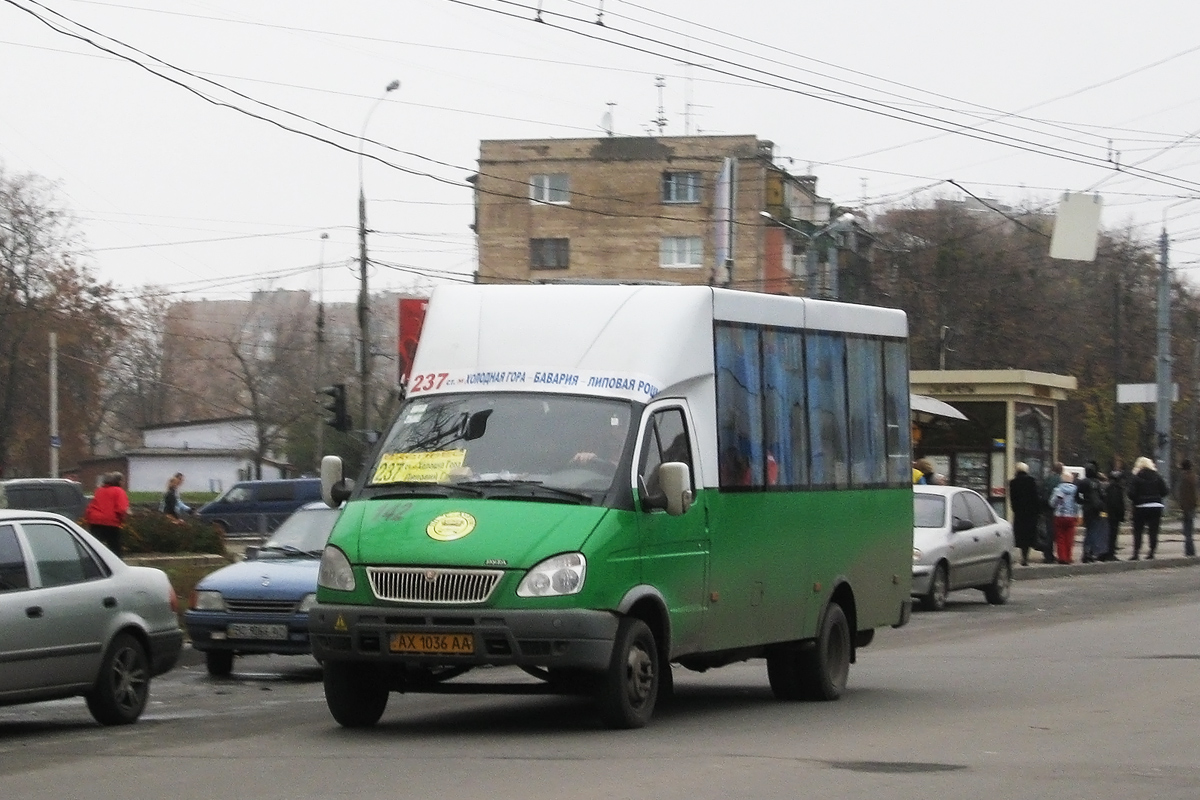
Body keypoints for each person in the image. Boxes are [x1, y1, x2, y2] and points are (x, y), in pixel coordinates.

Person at [1127, 455, 1168, 560]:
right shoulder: (1157, 476)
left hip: (1141, 507)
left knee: (1138, 530)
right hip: (1156, 506)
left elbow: (1131, 493)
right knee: (1153, 530)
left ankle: (1136, 553)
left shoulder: (1136, 477)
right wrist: (1156, 497)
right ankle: (1152, 552)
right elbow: (1165, 491)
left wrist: (1137, 499)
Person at [85, 472, 130, 557]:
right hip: (110, 521)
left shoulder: (99, 490)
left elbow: (92, 504)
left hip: (95, 520)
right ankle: (117, 563)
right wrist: (122, 518)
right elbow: (121, 508)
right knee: (114, 546)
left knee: (95, 545)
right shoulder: (119, 491)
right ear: (119, 481)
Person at [1008, 462, 1041, 566]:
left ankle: (1019, 557)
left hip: (1019, 513)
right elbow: (1035, 497)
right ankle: (1025, 557)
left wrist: (1015, 509)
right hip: (1031, 513)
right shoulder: (1031, 481)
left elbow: (1012, 498)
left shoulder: (1013, 482)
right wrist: (1037, 511)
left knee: (1020, 535)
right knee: (1028, 536)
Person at [1077, 462, 1107, 563]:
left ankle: (1086, 552)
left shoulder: (1083, 482)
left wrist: (1082, 502)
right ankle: (1091, 552)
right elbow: (1102, 496)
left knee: (1089, 530)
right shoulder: (1097, 483)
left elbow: (1076, 495)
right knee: (1094, 530)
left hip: (1087, 508)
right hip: (1096, 509)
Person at [1048, 469, 1079, 565]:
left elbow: (1052, 503)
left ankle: (1062, 557)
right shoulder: (1075, 490)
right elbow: (1077, 504)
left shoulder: (1058, 489)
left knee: (1060, 537)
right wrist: (1076, 514)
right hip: (1071, 516)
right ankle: (1069, 557)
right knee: (1069, 538)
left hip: (1060, 516)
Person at [1101, 460, 1127, 561]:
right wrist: (1122, 515)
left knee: (1106, 534)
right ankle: (1110, 553)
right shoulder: (1118, 489)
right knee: (1113, 535)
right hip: (1114, 516)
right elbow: (1119, 504)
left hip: (1106, 514)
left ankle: (1104, 552)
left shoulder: (1106, 487)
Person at [1039, 462, 1064, 564]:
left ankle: (1048, 554)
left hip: (1047, 509)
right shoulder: (1061, 481)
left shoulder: (1048, 479)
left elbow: (1041, 492)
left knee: (1049, 532)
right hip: (1058, 510)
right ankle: (1059, 554)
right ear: (1061, 470)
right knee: (1058, 533)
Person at [1177, 459, 1197, 557]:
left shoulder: (1185, 478)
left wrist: (1183, 507)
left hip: (1187, 507)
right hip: (1192, 506)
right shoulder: (1194, 477)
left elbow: (1184, 495)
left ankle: (1189, 551)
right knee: (1189, 530)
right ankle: (1191, 551)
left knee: (1187, 531)